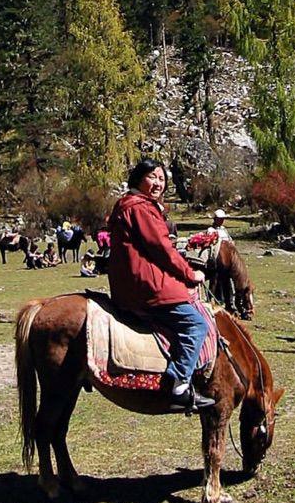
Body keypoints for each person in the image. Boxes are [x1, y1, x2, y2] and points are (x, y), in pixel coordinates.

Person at [108, 158, 214, 413]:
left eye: (162, 179)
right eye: (152, 177)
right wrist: (190, 274)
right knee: (196, 324)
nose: (158, 183)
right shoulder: (141, 208)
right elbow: (162, 250)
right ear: (138, 179)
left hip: (130, 283)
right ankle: (178, 382)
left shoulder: (129, 204)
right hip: (146, 286)